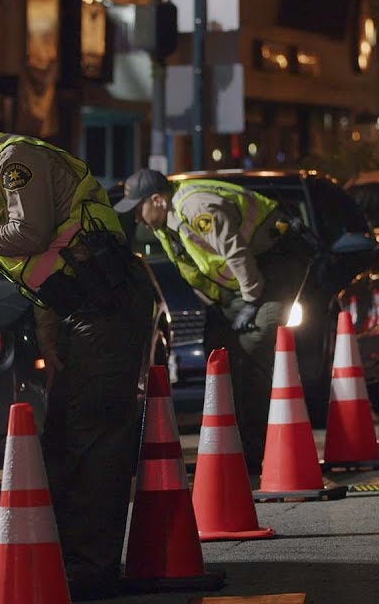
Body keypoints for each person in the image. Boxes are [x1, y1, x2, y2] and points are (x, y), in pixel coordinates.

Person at [0, 105, 155, 600]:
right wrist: (50, 340)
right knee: (66, 436)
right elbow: (42, 272)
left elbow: (30, 236)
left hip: (106, 304)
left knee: (93, 435)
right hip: (80, 311)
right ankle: (68, 561)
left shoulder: (12, 161)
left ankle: (92, 569)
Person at [114, 169, 310, 473]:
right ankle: (239, 449)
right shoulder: (166, 224)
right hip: (240, 287)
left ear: (157, 199)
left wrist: (250, 301)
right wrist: (217, 306)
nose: (137, 218)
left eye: (139, 209)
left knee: (251, 349)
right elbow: (197, 270)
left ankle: (261, 452)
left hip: (272, 268)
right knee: (221, 357)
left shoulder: (196, 207)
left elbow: (236, 253)